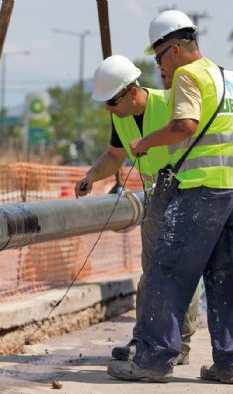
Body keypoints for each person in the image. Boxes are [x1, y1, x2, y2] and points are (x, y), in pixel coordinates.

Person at [106, 10, 233, 384]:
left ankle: (154, 359)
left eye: (159, 58)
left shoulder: (188, 76)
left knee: (168, 270)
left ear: (173, 50)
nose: (160, 66)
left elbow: (184, 126)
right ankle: (229, 363)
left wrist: (144, 142)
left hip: (202, 189)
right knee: (225, 277)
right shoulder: (230, 79)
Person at [75, 55, 200, 365]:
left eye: (112, 101)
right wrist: (91, 176)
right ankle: (144, 339)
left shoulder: (169, 102)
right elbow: (115, 156)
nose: (108, 109)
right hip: (156, 198)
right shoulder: (120, 116)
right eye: (104, 103)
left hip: (186, 195)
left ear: (132, 91)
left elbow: (190, 133)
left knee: (183, 271)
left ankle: (180, 343)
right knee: (152, 273)